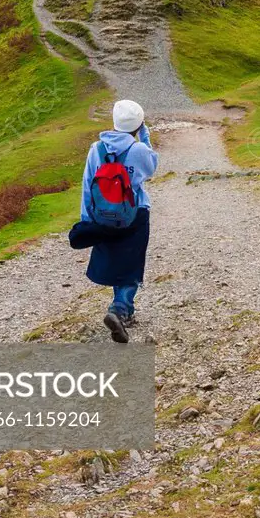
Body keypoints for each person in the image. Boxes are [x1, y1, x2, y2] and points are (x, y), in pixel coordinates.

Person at [72, 100, 158, 342]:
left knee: (115, 259)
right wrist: (146, 139)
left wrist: (87, 220)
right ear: (139, 124)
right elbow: (152, 168)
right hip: (135, 213)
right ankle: (120, 308)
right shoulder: (138, 150)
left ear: (114, 122)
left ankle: (122, 310)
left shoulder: (96, 149)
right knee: (131, 262)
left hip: (103, 216)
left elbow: (87, 185)